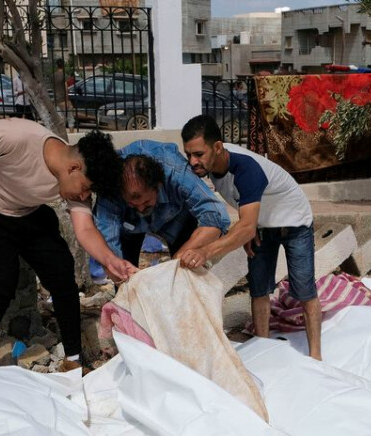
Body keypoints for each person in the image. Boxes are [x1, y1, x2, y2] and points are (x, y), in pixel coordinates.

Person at [0, 122, 122, 373]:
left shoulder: (73, 180)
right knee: (1, 282)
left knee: (62, 272)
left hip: (27, 211)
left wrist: (110, 261)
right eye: (86, 189)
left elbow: (86, 229)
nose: (83, 197)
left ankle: (73, 358)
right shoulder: (16, 136)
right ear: (74, 168)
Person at [180, 114, 322, 359]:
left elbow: (245, 224)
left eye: (198, 154)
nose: (193, 162)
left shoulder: (246, 168)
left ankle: (316, 355)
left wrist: (207, 250)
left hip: (294, 223)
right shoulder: (213, 166)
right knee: (258, 288)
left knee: (304, 290)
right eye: (188, 155)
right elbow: (243, 210)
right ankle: (264, 350)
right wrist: (248, 228)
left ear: (217, 147)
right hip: (262, 225)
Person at [88, 139, 231, 282]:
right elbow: (106, 240)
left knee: (184, 273)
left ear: (158, 186)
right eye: (133, 203)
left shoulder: (176, 172)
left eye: (146, 202)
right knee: (124, 276)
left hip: (177, 217)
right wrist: (118, 271)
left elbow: (216, 215)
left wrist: (181, 256)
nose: (141, 208)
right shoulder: (110, 188)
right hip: (129, 225)